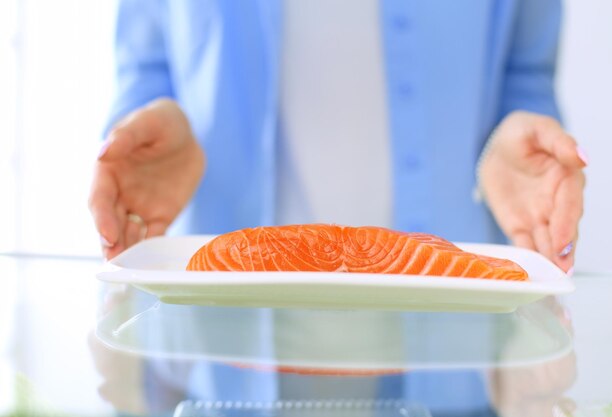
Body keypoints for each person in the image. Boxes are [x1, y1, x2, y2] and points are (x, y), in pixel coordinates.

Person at [88, 0, 586, 411]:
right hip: (221, 354)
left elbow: (525, 69)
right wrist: (143, 124)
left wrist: (516, 134)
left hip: (450, 356)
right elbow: (146, 64)